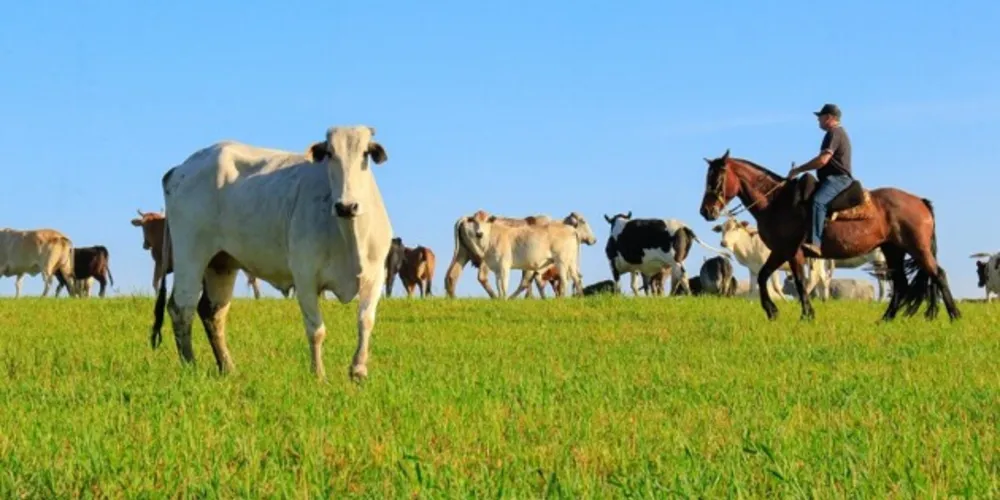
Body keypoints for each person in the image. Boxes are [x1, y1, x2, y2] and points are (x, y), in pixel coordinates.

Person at [787, 103, 853, 257]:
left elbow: (823, 160)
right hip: (832, 178)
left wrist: (798, 170)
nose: (818, 121)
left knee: (818, 201)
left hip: (839, 179)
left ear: (829, 117)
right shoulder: (836, 133)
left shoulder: (834, 133)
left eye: (820, 117)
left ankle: (815, 243)